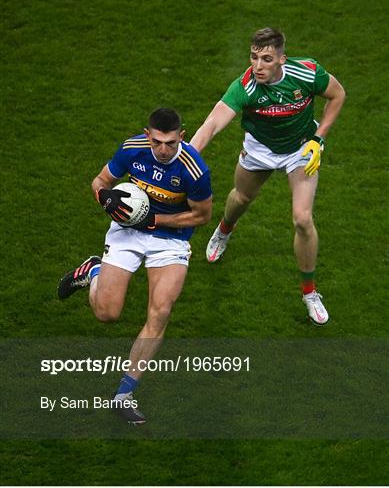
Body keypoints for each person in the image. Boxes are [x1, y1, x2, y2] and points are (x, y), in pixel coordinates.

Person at [58, 108, 212, 423]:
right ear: (147, 135)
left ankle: (124, 393)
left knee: (161, 311)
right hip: (127, 232)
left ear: (181, 136)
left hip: (170, 240)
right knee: (106, 313)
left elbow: (202, 215)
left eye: (171, 142)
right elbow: (100, 180)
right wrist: (105, 198)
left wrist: (156, 219)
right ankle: (94, 270)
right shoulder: (132, 149)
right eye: (157, 142)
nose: (164, 149)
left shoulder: (194, 170)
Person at [190, 27, 346, 325]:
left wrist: (319, 139)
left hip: (301, 148)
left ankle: (310, 292)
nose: (257, 66)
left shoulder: (307, 73)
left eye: (266, 59)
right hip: (259, 150)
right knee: (242, 197)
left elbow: (338, 95)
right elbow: (212, 124)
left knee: (302, 218)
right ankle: (225, 229)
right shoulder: (245, 86)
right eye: (253, 57)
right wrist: (186, 157)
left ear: (281, 60)